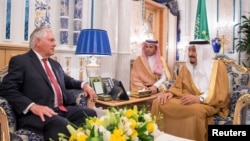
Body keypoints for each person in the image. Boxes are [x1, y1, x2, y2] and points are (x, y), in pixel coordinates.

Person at [0, 27, 97, 141]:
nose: (55, 44)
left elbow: (66, 80)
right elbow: (7, 89)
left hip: (60, 110)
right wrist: (32, 106)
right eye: (51, 40)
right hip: (36, 115)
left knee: (90, 114)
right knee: (61, 124)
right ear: (38, 41)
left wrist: (84, 84)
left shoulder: (54, 64)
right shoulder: (21, 61)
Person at [151, 40, 230, 141]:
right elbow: (177, 85)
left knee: (195, 111)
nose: (190, 54)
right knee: (158, 102)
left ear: (203, 52)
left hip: (209, 102)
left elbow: (220, 91)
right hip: (186, 99)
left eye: (194, 50)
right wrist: (170, 92)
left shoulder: (218, 66)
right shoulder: (186, 66)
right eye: (189, 50)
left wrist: (199, 98)